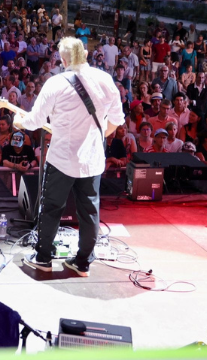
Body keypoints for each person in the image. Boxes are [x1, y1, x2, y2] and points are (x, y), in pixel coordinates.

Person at [14, 37, 124, 277]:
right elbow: (117, 120)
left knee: (51, 207)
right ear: (85, 54)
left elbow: (35, 121)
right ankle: (83, 262)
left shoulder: (55, 83)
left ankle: (43, 258)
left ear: (63, 60)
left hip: (62, 159)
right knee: (90, 211)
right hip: (92, 161)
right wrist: (96, 136)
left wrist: (18, 121)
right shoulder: (105, 80)